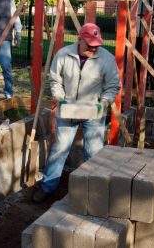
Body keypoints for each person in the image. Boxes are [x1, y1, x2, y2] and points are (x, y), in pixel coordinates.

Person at [33, 23, 121, 203]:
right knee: (60, 149)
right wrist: (59, 96)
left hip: (93, 111)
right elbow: (55, 80)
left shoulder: (107, 59)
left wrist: (104, 102)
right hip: (68, 110)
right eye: (89, 45)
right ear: (79, 39)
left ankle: (95, 191)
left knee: (94, 152)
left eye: (96, 46)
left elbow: (113, 86)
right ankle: (48, 187)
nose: (93, 49)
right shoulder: (63, 55)